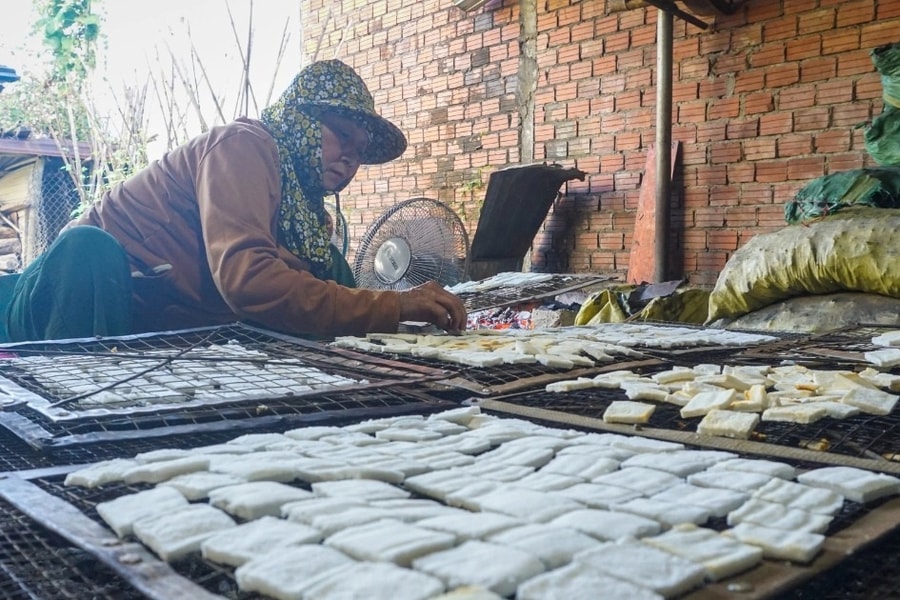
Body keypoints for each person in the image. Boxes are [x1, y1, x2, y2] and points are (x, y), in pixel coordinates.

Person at [2, 59, 467, 342]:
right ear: (298, 121)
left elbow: (308, 292)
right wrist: (393, 305)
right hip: (59, 299)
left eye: (360, 151)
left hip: (154, 328)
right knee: (90, 249)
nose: (350, 156)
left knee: (330, 266)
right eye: (341, 135)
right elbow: (252, 283)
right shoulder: (243, 147)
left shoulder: (306, 215)